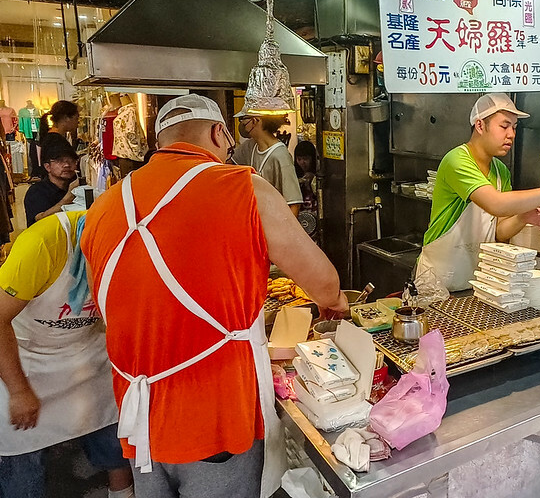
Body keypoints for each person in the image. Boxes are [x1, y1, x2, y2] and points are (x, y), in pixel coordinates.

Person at [81, 94, 349, 498]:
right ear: (218, 132)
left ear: (160, 141)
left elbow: (105, 312)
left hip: (139, 420)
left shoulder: (103, 207)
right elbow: (325, 285)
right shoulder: (242, 186)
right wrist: (339, 307)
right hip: (215, 419)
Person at [0, 209, 134, 498]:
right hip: (28, 354)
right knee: (19, 447)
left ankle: (122, 492)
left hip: (87, 348)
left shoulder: (134, 243)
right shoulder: (43, 244)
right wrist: (19, 391)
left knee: (114, 427)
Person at [418, 93, 540, 291]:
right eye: (504, 126)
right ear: (480, 126)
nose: (511, 134)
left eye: (514, 128)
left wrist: (523, 216)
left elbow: (498, 231)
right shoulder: (457, 160)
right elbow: (497, 204)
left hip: (477, 280)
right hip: (437, 281)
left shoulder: (500, 171)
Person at [233, 113, 303, 217]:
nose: (242, 124)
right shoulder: (249, 147)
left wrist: (284, 232)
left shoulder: (280, 156)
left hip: (272, 221)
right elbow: (230, 165)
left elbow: (293, 205)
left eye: (242, 119)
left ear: (254, 121)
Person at [23, 141, 80, 227]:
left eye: (71, 160)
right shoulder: (36, 191)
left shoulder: (78, 186)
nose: (67, 165)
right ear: (47, 167)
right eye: (60, 161)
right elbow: (41, 221)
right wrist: (69, 197)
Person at [33, 100, 80, 179]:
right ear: (66, 118)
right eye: (76, 118)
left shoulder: (53, 138)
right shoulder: (56, 141)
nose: (78, 122)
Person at [294, 140, 318, 213]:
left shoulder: (319, 174)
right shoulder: (294, 175)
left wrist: (313, 179)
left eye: (305, 159)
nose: (302, 162)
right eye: (299, 159)